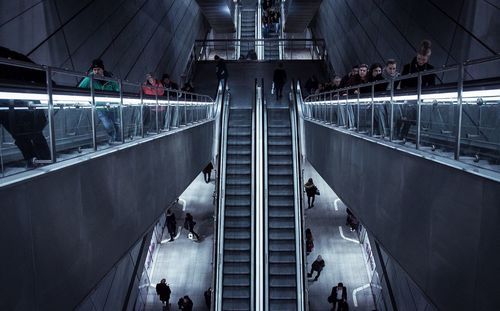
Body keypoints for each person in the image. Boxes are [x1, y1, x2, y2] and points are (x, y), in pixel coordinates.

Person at [0, 46, 51, 168]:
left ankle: (35, 161)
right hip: (20, 104)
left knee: (26, 135)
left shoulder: (11, 57)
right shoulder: (13, 57)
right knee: (31, 134)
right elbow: (39, 73)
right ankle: (42, 161)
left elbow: (38, 73)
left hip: (17, 105)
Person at [78, 59, 121, 143]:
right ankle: (113, 137)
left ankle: (118, 138)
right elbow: (80, 89)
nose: (96, 72)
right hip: (100, 107)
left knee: (117, 122)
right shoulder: (89, 78)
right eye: (94, 70)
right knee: (107, 125)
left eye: (98, 69)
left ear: (102, 69)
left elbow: (117, 90)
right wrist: (89, 100)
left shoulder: (109, 78)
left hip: (112, 106)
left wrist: (114, 100)